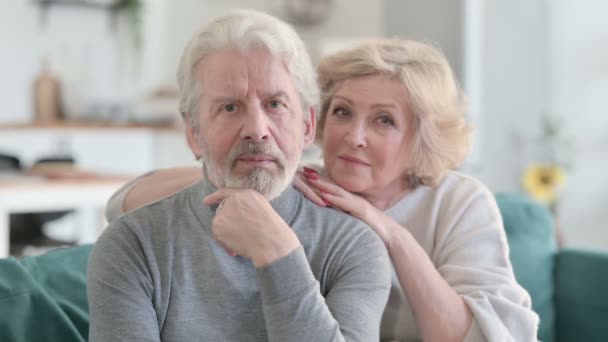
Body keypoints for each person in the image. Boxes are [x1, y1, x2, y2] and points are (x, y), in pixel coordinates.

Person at [106, 39, 540, 341]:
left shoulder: (458, 202)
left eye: (383, 120)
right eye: (343, 112)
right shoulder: (305, 185)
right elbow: (122, 203)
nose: (354, 136)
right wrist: (255, 176)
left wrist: (389, 232)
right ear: (317, 120)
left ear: (421, 139)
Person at [87, 9, 392, 342]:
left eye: (275, 104)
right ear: (193, 133)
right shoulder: (131, 246)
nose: (257, 130)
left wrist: (278, 253)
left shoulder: (353, 247)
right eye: (230, 107)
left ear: (307, 126)